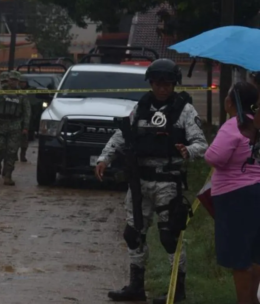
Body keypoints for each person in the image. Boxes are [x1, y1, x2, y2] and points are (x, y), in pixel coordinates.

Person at [94, 59, 208, 303]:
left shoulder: (185, 111)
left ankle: (177, 290)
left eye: (167, 84)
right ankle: (136, 286)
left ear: (174, 84)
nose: (162, 88)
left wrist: (188, 151)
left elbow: (201, 144)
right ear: (151, 83)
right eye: (157, 83)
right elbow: (122, 135)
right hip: (140, 182)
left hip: (168, 181)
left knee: (169, 236)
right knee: (132, 233)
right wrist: (104, 158)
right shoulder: (141, 107)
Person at [204, 81, 260, 304]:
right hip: (257, 193)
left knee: (240, 257)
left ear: (231, 102)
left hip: (236, 198)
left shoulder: (233, 126)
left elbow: (214, 157)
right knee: (255, 253)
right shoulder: (256, 125)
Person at [0, 71, 30, 185]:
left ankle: (8, 175)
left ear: (18, 81)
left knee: (12, 151)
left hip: (15, 124)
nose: (13, 82)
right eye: (11, 79)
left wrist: (25, 127)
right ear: (8, 79)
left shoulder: (22, 94)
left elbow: (27, 111)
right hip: (0, 124)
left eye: (15, 80)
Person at [18, 78, 33, 162]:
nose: (22, 84)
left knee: (24, 138)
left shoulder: (30, 91)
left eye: (24, 82)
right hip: (15, 118)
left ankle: (22, 154)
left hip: (25, 118)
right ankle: (13, 154)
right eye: (21, 82)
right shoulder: (15, 91)